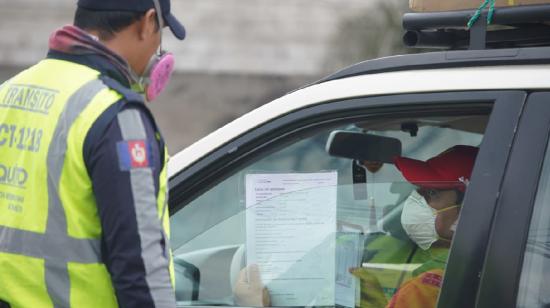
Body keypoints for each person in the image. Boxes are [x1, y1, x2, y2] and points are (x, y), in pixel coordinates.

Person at [0, 0, 185, 307]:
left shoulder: (9, 94)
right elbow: (140, 269)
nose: (157, 51)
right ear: (148, 22)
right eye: (160, 35)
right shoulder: (117, 117)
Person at [386, 145, 479, 308]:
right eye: (420, 192)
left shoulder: (425, 289)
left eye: (432, 193)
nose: (417, 201)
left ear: (468, 205)